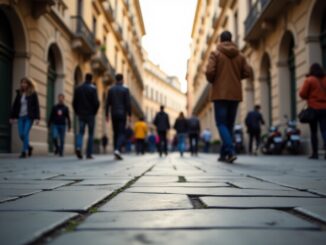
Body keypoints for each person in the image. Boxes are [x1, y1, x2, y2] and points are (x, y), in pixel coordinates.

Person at [206, 30, 252, 163]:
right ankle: (223, 154)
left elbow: (210, 71)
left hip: (220, 93)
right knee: (229, 125)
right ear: (231, 39)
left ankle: (230, 150)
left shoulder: (215, 53)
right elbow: (247, 72)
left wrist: (213, 79)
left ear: (220, 40)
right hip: (235, 94)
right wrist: (237, 76)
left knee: (221, 124)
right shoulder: (240, 55)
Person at [300, 63, 326, 160]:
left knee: (314, 131)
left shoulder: (310, 79)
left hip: (314, 108)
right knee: (324, 129)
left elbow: (302, 94)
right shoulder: (325, 79)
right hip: (325, 108)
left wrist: (311, 96)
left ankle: (315, 153)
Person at [10, 77, 40, 158]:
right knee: (21, 134)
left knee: (25, 133)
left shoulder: (33, 93)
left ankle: (24, 152)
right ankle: (29, 147)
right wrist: (12, 117)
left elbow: (36, 106)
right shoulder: (19, 93)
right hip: (20, 117)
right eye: (22, 82)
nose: (23, 84)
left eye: (25, 82)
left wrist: (37, 118)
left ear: (29, 84)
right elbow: (15, 106)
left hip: (29, 117)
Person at [73, 73, 100, 160]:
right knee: (91, 134)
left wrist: (77, 112)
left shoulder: (78, 88)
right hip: (90, 114)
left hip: (81, 114)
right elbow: (96, 103)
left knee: (80, 132)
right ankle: (89, 154)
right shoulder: (93, 89)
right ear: (91, 79)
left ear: (85, 78)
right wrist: (94, 112)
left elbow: (74, 102)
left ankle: (78, 147)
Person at [106, 74, 131, 160]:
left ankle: (116, 151)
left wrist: (106, 114)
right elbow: (128, 103)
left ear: (115, 79)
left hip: (113, 113)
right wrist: (129, 114)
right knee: (121, 133)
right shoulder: (125, 89)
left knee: (115, 133)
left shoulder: (111, 89)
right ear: (122, 80)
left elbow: (107, 103)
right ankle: (117, 150)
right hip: (122, 113)